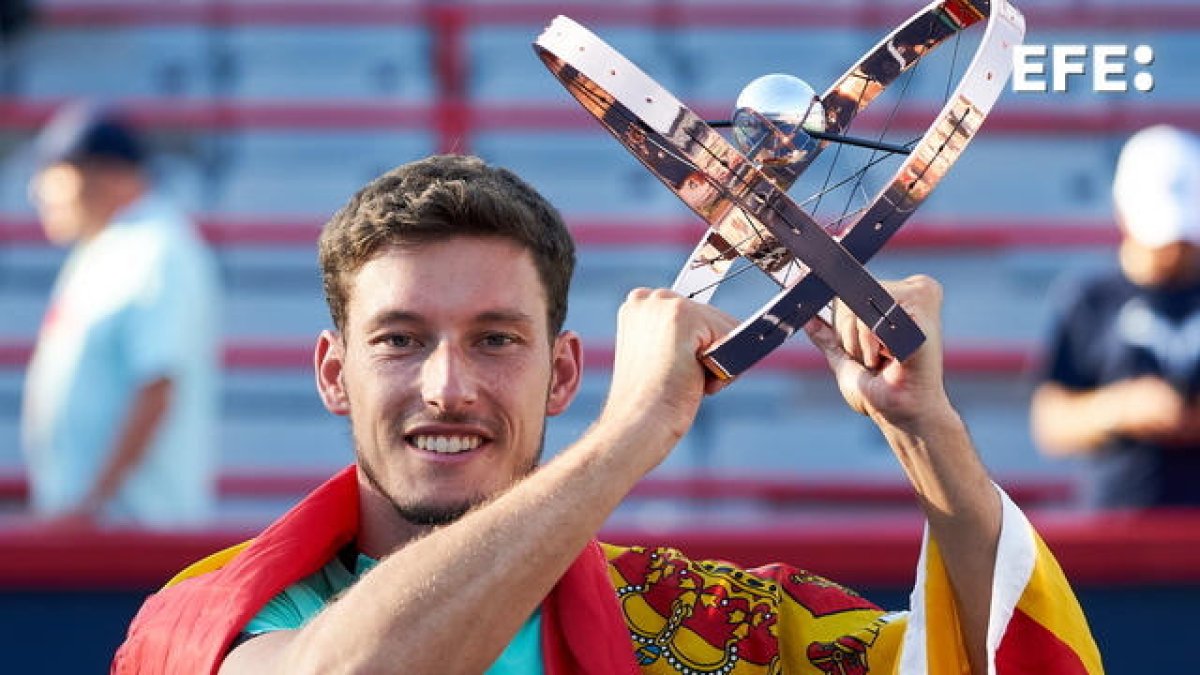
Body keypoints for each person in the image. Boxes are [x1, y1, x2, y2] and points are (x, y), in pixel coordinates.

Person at [113, 155, 1100, 674]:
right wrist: (626, 439)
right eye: (400, 339)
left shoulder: (706, 631)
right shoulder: (210, 618)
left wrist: (923, 430)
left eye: (497, 339)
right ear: (334, 374)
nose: (447, 387)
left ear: (564, 371)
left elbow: (992, 660)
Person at [20, 103, 220, 528]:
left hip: (133, 533)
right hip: (95, 525)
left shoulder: (156, 250)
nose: (38, 192)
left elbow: (157, 385)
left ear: (109, 174)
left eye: (53, 175)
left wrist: (90, 505)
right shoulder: (106, 250)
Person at [1031, 125, 1200, 509]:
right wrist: (1121, 409)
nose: (1173, 252)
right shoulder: (1091, 299)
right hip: (1118, 523)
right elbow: (1050, 423)